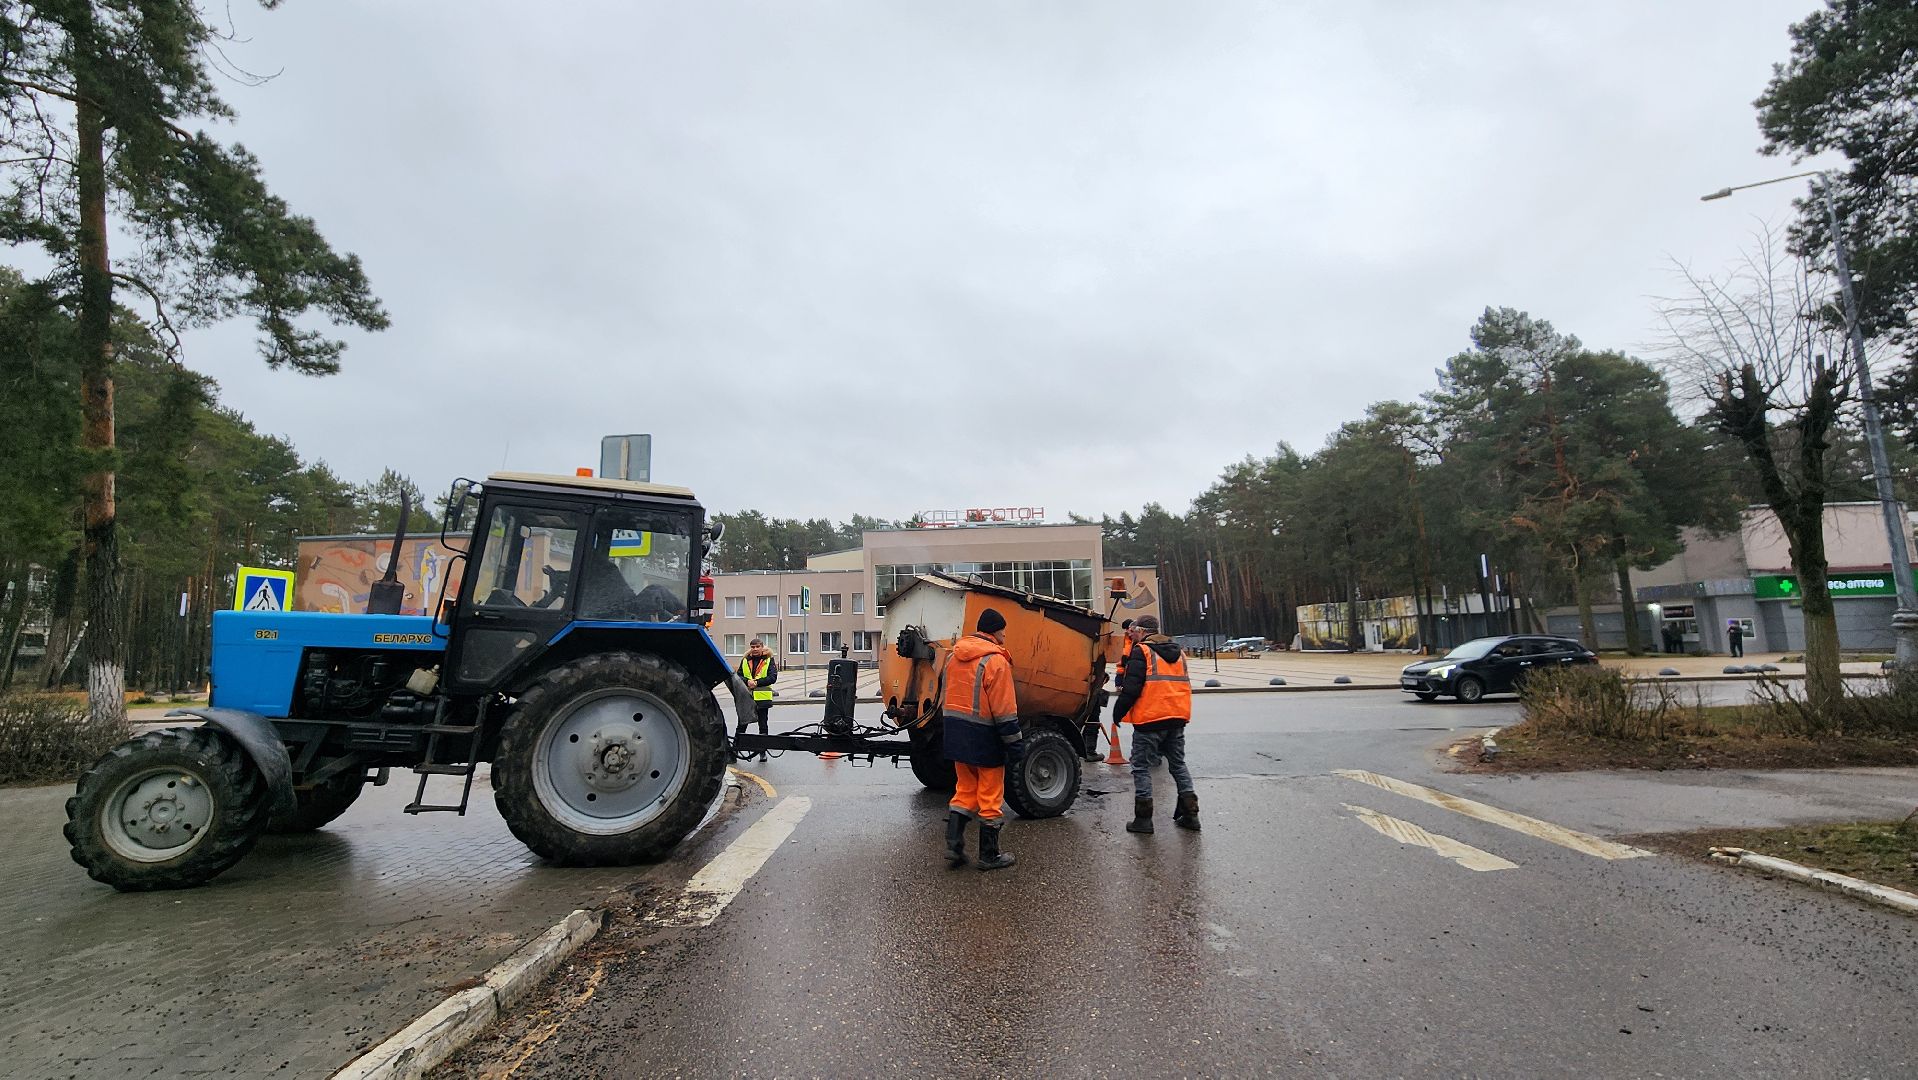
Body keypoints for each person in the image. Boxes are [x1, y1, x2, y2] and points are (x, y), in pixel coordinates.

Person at [938, 607, 1023, 871]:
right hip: (985, 738)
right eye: (1002, 629)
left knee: (964, 790)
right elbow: (1004, 709)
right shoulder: (995, 661)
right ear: (994, 631)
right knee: (990, 796)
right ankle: (989, 855)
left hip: (956, 734)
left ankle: (954, 845)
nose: (1004, 634)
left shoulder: (953, 657)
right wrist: (1015, 743)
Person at [1112, 614, 1199, 834]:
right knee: (1178, 765)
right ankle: (1191, 814)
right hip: (1177, 718)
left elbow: (1131, 688)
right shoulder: (1179, 652)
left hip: (1150, 719)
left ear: (1141, 631)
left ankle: (1143, 820)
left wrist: (1117, 712)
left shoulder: (1142, 651)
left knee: (1140, 767)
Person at [735, 638, 776, 761]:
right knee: (742, 724)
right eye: (753, 647)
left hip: (762, 698)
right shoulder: (746, 660)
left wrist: (757, 683)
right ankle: (734, 751)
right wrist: (747, 681)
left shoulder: (768, 660)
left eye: (757, 647)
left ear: (762, 647)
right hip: (747, 697)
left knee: (763, 726)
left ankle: (762, 752)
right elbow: (738, 676)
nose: (755, 649)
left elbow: (772, 677)